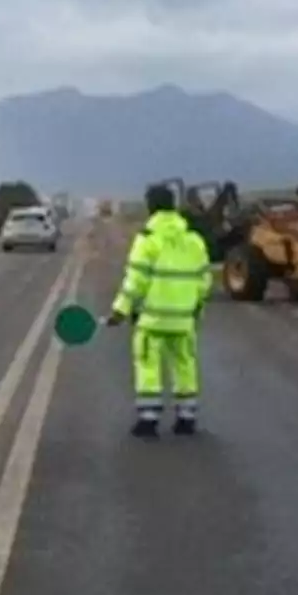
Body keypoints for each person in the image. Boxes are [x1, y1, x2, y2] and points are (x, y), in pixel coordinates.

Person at [106, 184, 212, 437]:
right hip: (183, 319)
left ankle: (149, 419)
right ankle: (186, 419)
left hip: (152, 319)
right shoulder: (194, 240)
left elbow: (135, 281)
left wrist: (120, 310)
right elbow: (204, 280)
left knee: (148, 364)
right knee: (185, 364)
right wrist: (197, 310)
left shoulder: (147, 240)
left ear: (150, 206)